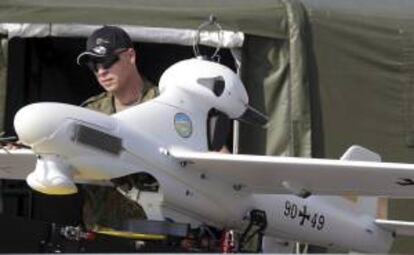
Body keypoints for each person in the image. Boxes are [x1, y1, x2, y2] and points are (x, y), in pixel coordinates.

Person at [76, 26, 158, 229]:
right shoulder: (90, 113)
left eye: (107, 61)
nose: (101, 71)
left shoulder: (165, 106)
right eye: (94, 65)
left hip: (156, 233)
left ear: (130, 56)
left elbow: (209, 156)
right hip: (101, 233)